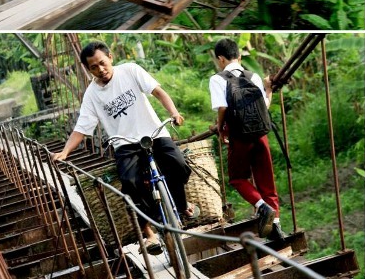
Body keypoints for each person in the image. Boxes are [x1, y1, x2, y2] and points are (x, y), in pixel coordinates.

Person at [52, 41, 198, 255]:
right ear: (88, 69)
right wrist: (65, 152)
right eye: (94, 67)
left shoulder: (130, 70)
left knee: (178, 164)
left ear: (110, 57)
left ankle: (181, 204)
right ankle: (149, 231)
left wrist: (174, 113)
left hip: (153, 133)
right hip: (124, 143)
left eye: (102, 63)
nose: (100, 70)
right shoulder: (92, 94)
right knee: (130, 183)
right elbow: (82, 128)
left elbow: (158, 92)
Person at [208, 38, 285, 240]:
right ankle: (276, 226)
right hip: (261, 135)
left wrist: (220, 129)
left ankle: (261, 207)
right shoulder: (254, 76)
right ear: (239, 57)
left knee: (237, 178)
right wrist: (269, 89)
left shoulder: (217, 79)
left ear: (221, 59)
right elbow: (264, 107)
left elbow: (223, 108)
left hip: (240, 136)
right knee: (266, 181)